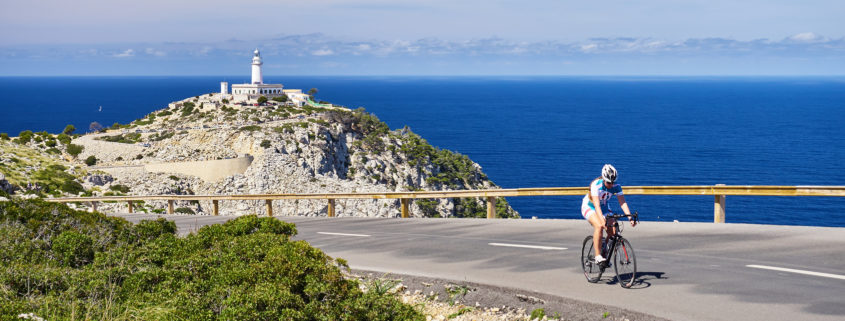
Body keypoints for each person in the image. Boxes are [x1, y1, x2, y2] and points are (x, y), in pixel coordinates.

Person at [581, 164, 636, 264]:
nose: (611, 184)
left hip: (605, 207)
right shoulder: (596, 185)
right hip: (590, 207)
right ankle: (597, 256)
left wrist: (630, 217)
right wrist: (602, 221)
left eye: (612, 182)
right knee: (599, 226)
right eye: (609, 182)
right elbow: (597, 205)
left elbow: (623, 203)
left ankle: (604, 248)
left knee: (613, 231)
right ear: (604, 179)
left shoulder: (617, 187)